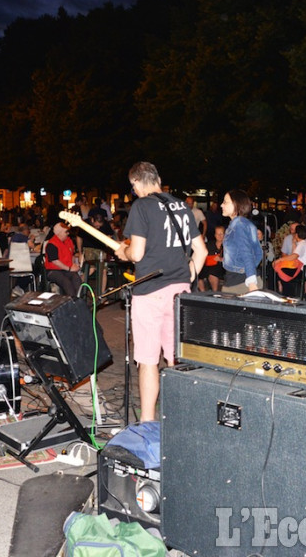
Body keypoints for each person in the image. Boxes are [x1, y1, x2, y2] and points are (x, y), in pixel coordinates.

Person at [114, 161, 207, 421]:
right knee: (175, 357)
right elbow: (201, 252)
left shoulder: (141, 206)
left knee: (147, 359)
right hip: (179, 292)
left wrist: (123, 252)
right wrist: (186, 278)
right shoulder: (181, 206)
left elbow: (137, 253)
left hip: (149, 292)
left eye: (133, 187)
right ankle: (181, 417)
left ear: (136, 183)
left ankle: (147, 421)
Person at [220, 189, 263, 294]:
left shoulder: (238, 225)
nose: (221, 205)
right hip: (239, 278)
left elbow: (246, 253)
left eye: (225, 202)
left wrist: (252, 283)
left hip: (239, 282)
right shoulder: (243, 223)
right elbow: (258, 252)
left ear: (236, 204)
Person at [44, 222, 83, 296]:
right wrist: (69, 268)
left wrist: (73, 265)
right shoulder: (52, 244)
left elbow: (72, 255)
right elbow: (55, 261)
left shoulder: (68, 241)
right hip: (53, 270)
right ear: (59, 233)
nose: (68, 233)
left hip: (66, 269)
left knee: (76, 279)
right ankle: (72, 302)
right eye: (66, 232)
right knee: (66, 282)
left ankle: (79, 300)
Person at [276, 224, 306, 297]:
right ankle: (287, 294)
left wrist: (280, 259)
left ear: (297, 234)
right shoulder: (301, 244)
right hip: (298, 268)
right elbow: (294, 253)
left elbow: (294, 256)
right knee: (281, 270)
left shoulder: (302, 244)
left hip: (302, 270)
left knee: (284, 272)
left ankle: (289, 295)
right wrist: (293, 243)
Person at [199, 225, 225, 291]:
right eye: (217, 234)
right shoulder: (210, 244)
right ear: (215, 235)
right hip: (208, 264)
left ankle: (215, 293)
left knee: (213, 274)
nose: (219, 236)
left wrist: (221, 259)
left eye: (221, 234)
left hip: (221, 266)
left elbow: (232, 260)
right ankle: (202, 294)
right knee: (198, 273)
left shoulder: (228, 246)